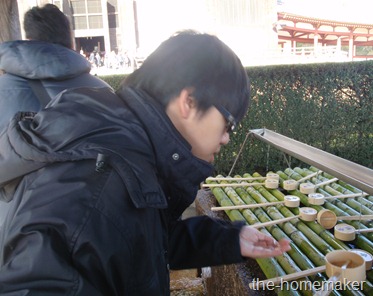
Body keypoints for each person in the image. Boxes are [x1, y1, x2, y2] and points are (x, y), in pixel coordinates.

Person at [0, 31, 290, 295]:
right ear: (188, 101)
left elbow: (139, 242)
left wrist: (228, 240)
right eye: (229, 123)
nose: (226, 138)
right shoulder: (93, 183)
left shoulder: (130, 153)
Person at [0, 4, 111, 226]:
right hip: (90, 223)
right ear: (70, 40)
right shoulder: (104, 92)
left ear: (28, 38)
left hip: (14, 229)